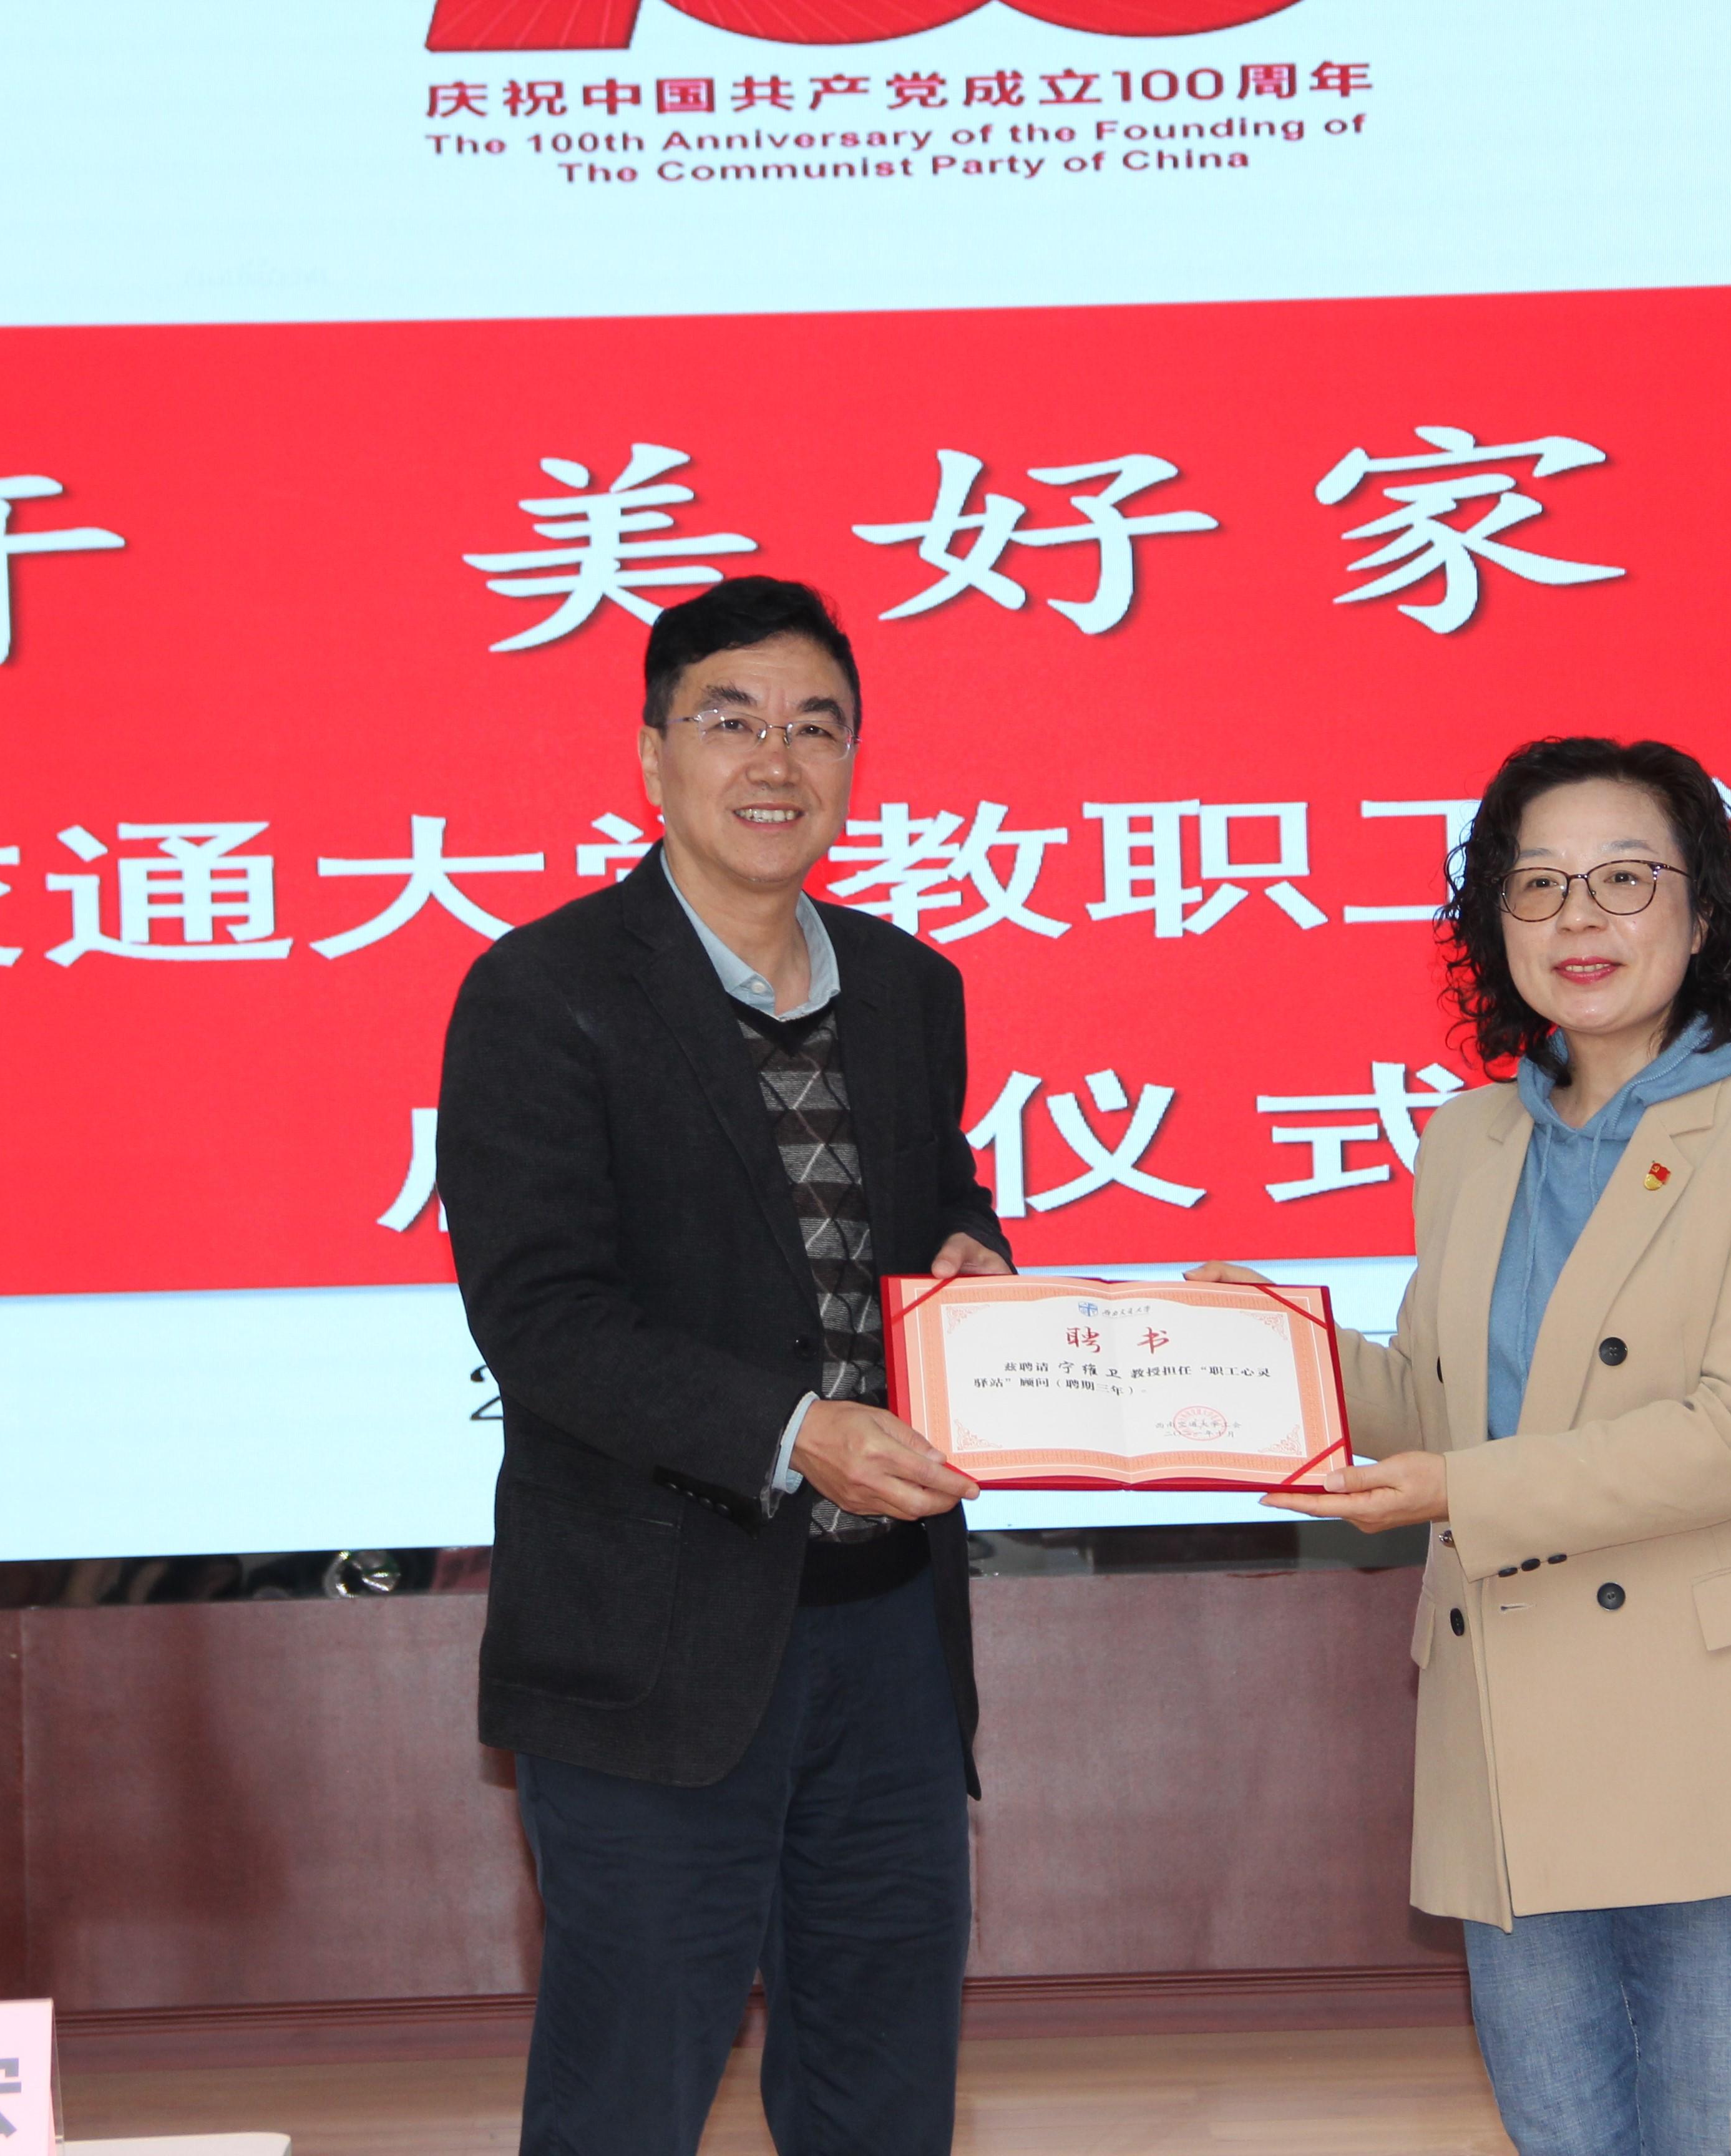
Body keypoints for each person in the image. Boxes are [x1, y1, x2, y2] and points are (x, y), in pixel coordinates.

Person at [1197, 735, 1731, 2156]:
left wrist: (1457, 1490)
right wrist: (1276, 1350)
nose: (1578, 918)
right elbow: (1441, 1403)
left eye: (1623, 879)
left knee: (1711, 2138)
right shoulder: (1472, 1140)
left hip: (1725, 1727)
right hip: (1516, 1725)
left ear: (1706, 911)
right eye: (1536, 885)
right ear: (1493, 924)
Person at [437, 576, 1014, 2155]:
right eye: (731, 721)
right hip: (654, 1642)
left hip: (890, 1640)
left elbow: (935, 1196)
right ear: (653, 755)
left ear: (854, 760)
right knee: (628, 2098)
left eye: (816, 727)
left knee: (882, 2088)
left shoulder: (908, 987)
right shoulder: (542, 992)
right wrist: (794, 1429)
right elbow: (541, 1318)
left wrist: (974, 1258)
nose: (778, 761)